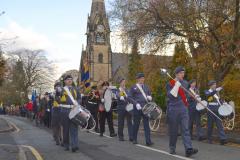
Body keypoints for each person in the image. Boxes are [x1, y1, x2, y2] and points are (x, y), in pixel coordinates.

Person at [166, 66, 198, 157]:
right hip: (174, 109)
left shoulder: (185, 83)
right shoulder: (170, 83)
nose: (182, 75)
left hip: (184, 109)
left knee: (185, 129)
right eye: (180, 73)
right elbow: (170, 96)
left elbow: (187, 95)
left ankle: (188, 149)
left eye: (183, 73)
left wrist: (191, 98)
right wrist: (176, 86)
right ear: (176, 74)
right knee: (174, 130)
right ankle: (172, 147)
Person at [56, 75, 82, 152]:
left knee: (74, 128)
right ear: (65, 81)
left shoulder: (75, 89)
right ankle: (66, 144)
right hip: (64, 110)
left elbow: (79, 98)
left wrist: (77, 103)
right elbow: (57, 99)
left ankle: (74, 145)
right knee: (66, 129)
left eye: (71, 79)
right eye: (68, 79)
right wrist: (60, 99)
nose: (70, 80)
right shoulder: (61, 90)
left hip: (74, 110)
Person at [129, 73, 153, 146]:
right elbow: (129, 97)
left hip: (145, 108)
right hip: (137, 108)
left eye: (143, 78)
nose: (142, 79)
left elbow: (149, 95)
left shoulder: (146, 87)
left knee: (146, 125)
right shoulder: (134, 87)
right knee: (136, 124)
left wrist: (150, 97)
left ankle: (148, 141)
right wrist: (136, 103)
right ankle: (134, 139)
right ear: (138, 79)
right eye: (141, 78)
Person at [205, 80, 227, 145]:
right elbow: (208, 95)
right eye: (214, 84)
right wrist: (216, 90)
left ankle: (223, 139)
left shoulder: (217, 93)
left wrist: (224, 103)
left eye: (215, 84)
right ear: (210, 85)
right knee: (210, 125)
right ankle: (209, 139)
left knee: (219, 125)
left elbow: (218, 100)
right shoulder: (207, 91)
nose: (215, 85)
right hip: (211, 110)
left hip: (217, 109)